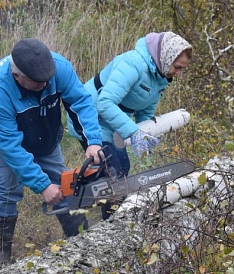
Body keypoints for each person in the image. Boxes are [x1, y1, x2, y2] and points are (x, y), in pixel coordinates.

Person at [0, 38, 105, 268]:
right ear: (17, 76)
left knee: (62, 180)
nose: (45, 86)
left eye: (48, 81)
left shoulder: (57, 68)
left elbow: (81, 102)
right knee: (8, 187)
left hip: (43, 126)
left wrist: (92, 141)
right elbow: (11, 147)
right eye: (37, 83)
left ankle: (82, 242)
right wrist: (41, 185)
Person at [70, 31, 193, 220]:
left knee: (121, 168)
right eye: (177, 67)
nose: (178, 72)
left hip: (112, 122)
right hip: (90, 118)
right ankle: (107, 220)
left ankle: (97, 202)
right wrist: (133, 132)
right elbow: (105, 103)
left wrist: (146, 133)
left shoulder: (160, 76)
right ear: (166, 57)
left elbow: (145, 111)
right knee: (114, 170)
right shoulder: (133, 64)